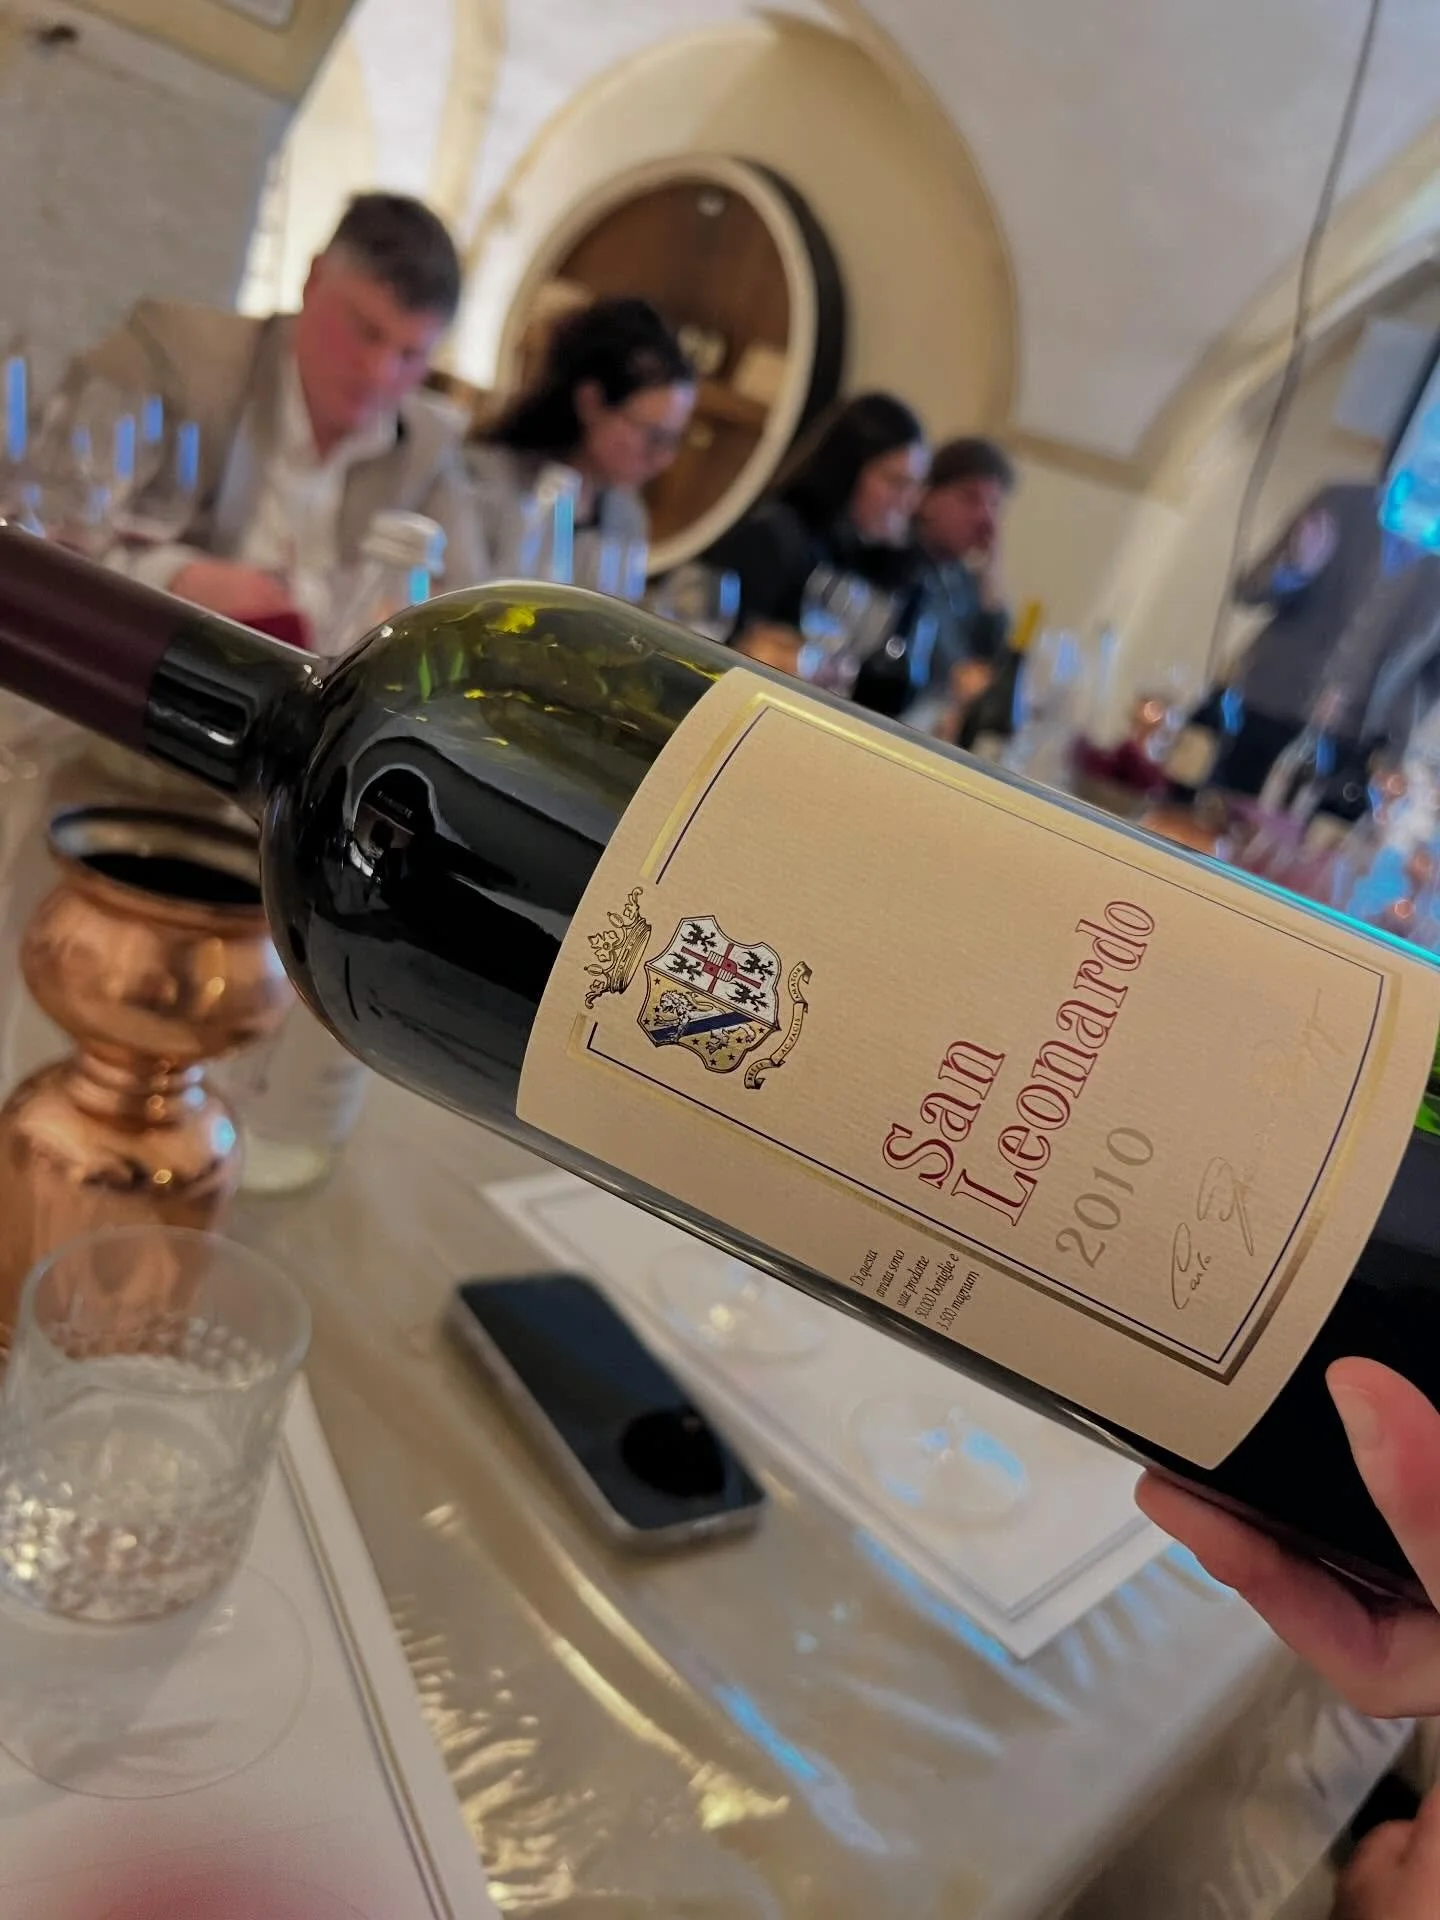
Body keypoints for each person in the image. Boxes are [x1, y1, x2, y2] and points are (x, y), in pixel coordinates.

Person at [67, 192, 483, 638]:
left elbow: (467, 608)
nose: (380, 373)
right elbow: (53, 518)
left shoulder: (426, 442)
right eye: (365, 331)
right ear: (313, 280)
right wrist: (176, 576)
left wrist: (296, 595)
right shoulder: (177, 355)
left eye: (410, 355)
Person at [705, 392, 930, 697]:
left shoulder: (900, 565)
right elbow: (724, 644)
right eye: (895, 482)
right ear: (846, 471)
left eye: (915, 485)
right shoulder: (776, 535)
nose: (908, 502)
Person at [467, 297, 695, 575]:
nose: (664, 458)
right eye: (654, 436)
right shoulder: (482, 479)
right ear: (591, 403)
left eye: (673, 439)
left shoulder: (627, 517)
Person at [1213, 482, 1384, 794]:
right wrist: (1295, 570)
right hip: (1262, 705)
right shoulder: (1343, 502)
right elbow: (1249, 590)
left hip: (1357, 745)